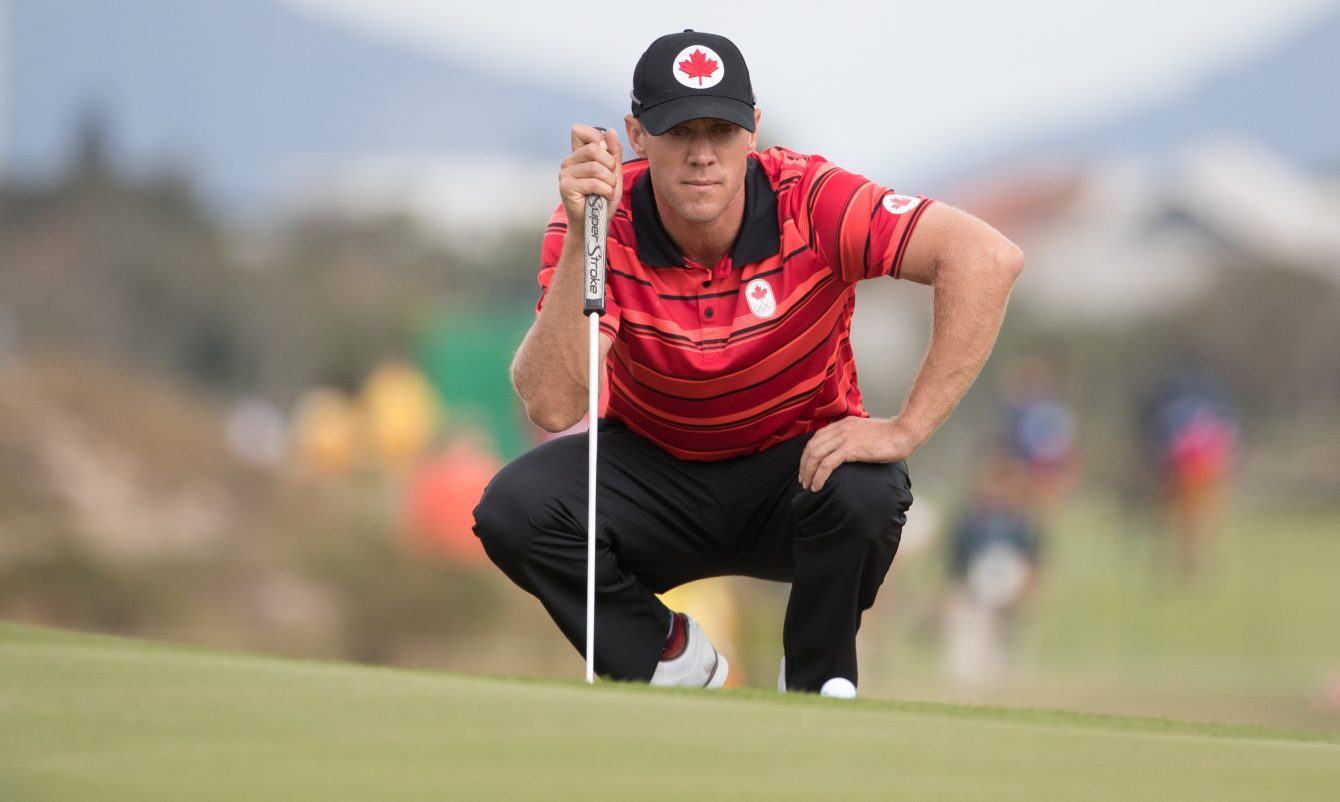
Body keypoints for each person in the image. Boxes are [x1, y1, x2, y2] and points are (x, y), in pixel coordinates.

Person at [472, 30, 1023, 695]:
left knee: (868, 488)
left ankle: (818, 679)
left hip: (795, 471)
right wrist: (586, 233)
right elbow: (554, 405)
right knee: (514, 508)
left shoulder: (812, 200)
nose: (703, 155)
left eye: (722, 130)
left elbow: (986, 258)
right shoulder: (596, 221)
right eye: (680, 132)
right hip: (655, 467)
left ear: (753, 130)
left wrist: (906, 428)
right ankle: (665, 657)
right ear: (638, 135)